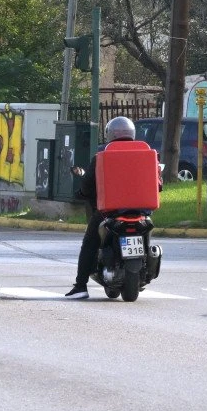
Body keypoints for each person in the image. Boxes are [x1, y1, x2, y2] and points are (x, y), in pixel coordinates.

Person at [66, 115, 137, 298]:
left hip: (110, 211)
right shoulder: (145, 153)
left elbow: (88, 184)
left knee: (90, 242)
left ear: (110, 135)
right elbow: (158, 184)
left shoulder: (102, 156)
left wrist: (81, 193)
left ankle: (81, 286)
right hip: (141, 211)